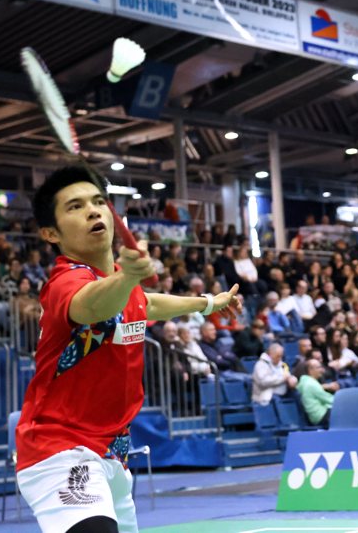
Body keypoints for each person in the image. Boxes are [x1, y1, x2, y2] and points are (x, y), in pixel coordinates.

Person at [15, 166, 241, 533]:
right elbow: (94, 307)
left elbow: (146, 303)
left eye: (98, 201)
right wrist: (127, 277)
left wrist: (205, 303)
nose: (92, 210)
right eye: (75, 207)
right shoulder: (65, 284)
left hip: (113, 452)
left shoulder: (123, 286)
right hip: (59, 448)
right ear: (50, 233)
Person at [297, 359, 333, 428]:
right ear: (310, 370)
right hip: (321, 415)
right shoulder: (311, 384)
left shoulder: (304, 381)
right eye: (318, 367)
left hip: (315, 416)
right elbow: (329, 399)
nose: (321, 370)